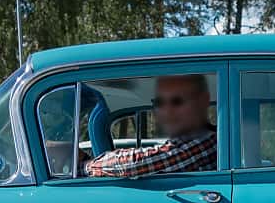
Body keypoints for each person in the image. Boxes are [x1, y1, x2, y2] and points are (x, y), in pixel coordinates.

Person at [86, 74, 218, 178]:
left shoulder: (208, 141)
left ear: (201, 102)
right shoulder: (191, 140)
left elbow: (137, 164)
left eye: (178, 101)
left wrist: (85, 165)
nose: (167, 111)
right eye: (159, 103)